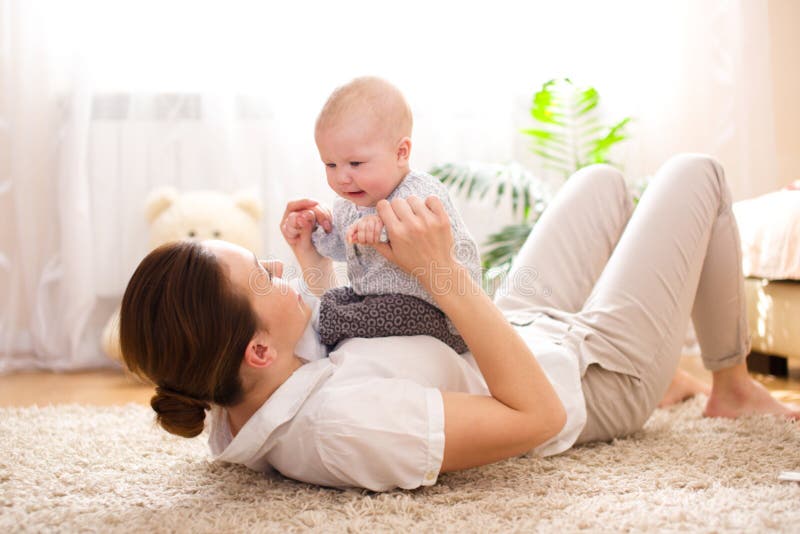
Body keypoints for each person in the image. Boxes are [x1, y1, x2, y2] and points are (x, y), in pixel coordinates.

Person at [119, 154, 799, 492]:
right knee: (698, 172)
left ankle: (670, 377)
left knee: (602, 181)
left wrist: (310, 263)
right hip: (588, 381)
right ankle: (729, 386)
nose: (276, 265)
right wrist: (441, 273)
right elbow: (532, 415)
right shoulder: (350, 430)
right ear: (258, 349)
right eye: (263, 275)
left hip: (506, 333)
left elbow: (333, 340)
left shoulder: (244, 382)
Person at [283, 76, 481, 353]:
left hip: (441, 312)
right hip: (379, 302)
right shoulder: (348, 206)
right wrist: (317, 230)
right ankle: (319, 325)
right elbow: (340, 250)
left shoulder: (418, 190)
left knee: (342, 316)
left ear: (401, 153)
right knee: (337, 300)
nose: (341, 178)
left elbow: (418, 229)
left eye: (356, 163)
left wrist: (381, 224)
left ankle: (322, 326)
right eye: (330, 164)